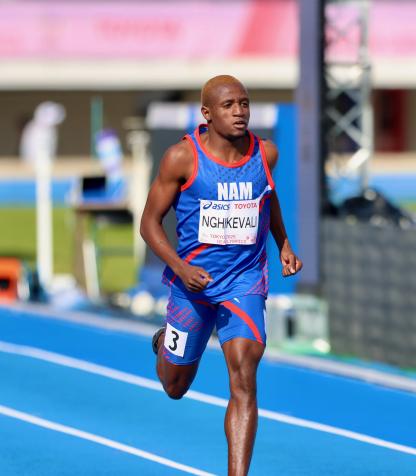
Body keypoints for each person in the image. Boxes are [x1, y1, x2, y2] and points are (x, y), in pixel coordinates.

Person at [140, 75, 302, 475]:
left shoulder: (266, 153)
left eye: (244, 104)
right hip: (192, 286)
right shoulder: (182, 158)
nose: (240, 112)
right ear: (207, 114)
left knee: (245, 376)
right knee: (175, 386)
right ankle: (165, 344)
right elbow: (149, 223)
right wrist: (180, 268)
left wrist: (283, 243)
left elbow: (269, 197)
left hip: (244, 281)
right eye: (229, 105)